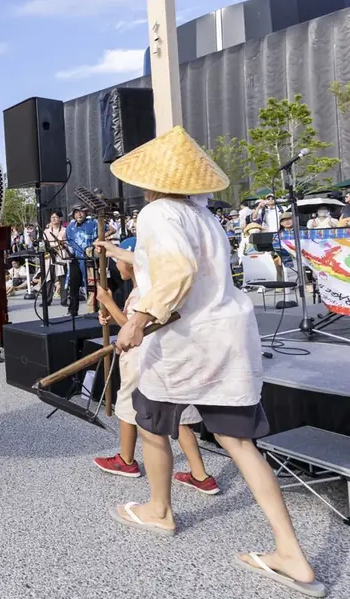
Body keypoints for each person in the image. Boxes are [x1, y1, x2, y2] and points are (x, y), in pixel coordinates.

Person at [101, 126, 323, 596]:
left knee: (152, 424)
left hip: (185, 343)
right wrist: (130, 265)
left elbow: (176, 272)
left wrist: (136, 320)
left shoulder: (158, 212)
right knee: (240, 444)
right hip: (226, 338)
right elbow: (180, 266)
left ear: (154, 179)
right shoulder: (202, 215)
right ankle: (292, 554)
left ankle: (160, 511)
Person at [91, 243, 219, 494]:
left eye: (118, 262)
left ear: (131, 264)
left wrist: (108, 302)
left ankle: (126, 461)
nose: (116, 268)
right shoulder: (147, 290)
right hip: (164, 358)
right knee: (179, 417)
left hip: (141, 359)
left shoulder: (144, 293)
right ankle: (201, 474)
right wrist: (110, 315)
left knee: (129, 406)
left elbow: (133, 328)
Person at [65, 205, 98, 316]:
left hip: (89, 259)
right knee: (73, 285)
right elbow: (68, 241)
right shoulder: (70, 227)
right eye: (76, 212)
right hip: (75, 258)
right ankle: (72, 311)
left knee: (91, 285)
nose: (79, 214)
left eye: (81, 212)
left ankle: (93, 310)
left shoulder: (93, 223)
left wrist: (97, 240)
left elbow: (111, 229)